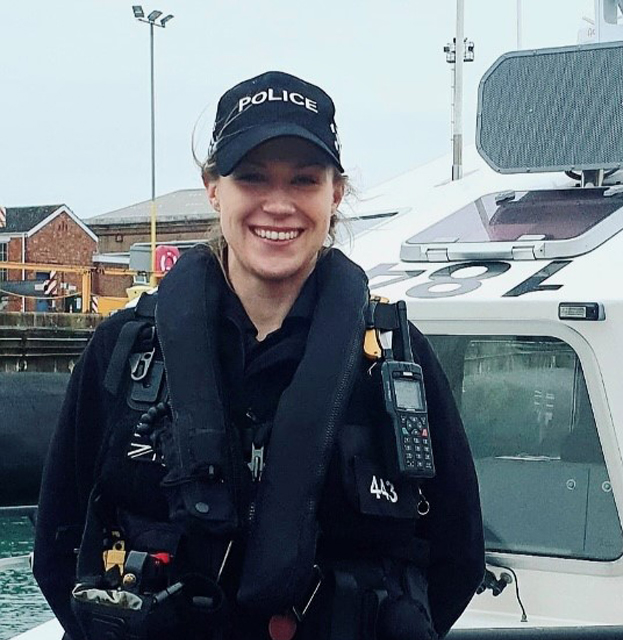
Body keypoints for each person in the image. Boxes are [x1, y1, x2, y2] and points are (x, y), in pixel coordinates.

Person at [33, 70, 485, 640]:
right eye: (251, 178)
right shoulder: (123, 351)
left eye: (303, 180)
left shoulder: (398, 359)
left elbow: (458, 556)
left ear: (335, 193)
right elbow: (58, 543)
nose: (278, 205)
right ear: (214, 187)